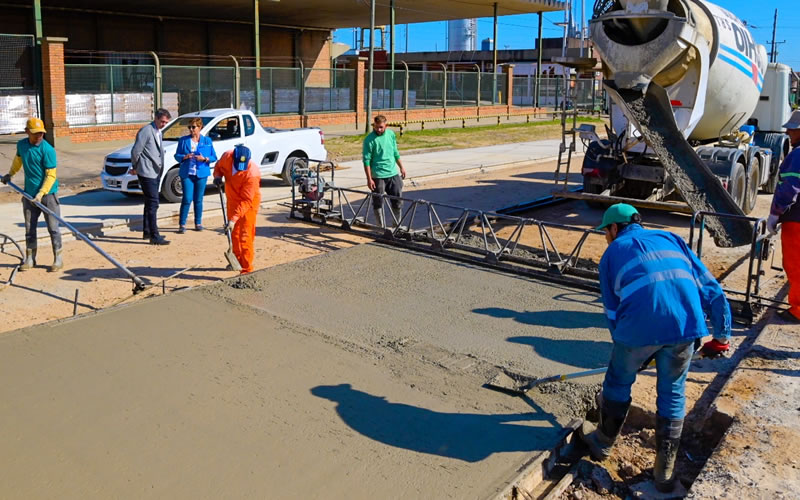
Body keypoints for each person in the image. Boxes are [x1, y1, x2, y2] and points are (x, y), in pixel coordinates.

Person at [579, 204, 732, 493]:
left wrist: (626, 347)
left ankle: (603, 442)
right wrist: (722, 336)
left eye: (606, 232)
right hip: (686, 327)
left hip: (638, 329)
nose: (606, 238)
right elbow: (712, 289)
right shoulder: (671, 239)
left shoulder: (612, 254)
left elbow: (613, 311)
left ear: (614, 228)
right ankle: (664, 476)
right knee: (673, 392)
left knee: (618, 379)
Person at [1, 117, 63, 272]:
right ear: (27, 131)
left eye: (41, 133)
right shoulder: (22, 145)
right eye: (35, 133)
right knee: (30, 228)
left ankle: (58, 258)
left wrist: (41, 193)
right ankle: (30, 258)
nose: (39, 136)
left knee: (53, 228)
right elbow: (18, 160)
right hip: (29, 194)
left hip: (48, 195)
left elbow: (51, 175)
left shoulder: (47, 150)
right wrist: (10, 174)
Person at [766, 110, 800, 324]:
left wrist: (774, 213)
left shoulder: (797, 154)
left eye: (792, 129)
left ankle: (797, 310)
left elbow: (790, 187)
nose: (787, 132)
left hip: (797, 220)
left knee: (795, 264)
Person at [213, 144, 261, 274]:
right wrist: (217, 176)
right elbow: (218, 167)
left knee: (245, 236)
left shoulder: (252, 174)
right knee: (233, 233)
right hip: (232, 200)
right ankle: (237, 261)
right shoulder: (227, 157)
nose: (240, 169)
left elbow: (246, 200)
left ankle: (246, 269)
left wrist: (234, 219)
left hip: (248, 205)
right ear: (233, 157)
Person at [131, 108, 171, 245]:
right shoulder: (146, 131)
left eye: (166, 122)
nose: (164, 124)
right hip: (147, 172)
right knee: (154, 202)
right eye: (162, 121)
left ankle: (147, 231)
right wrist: (136, 167)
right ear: (156, 118)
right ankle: (154, 235)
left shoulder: (158, 131)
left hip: (155, 171)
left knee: (149, 202)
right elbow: (136, 151)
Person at [362, 115, 406, 227]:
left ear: (385, 125)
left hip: (393, 173)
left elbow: (395, 152)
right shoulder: (369, 140)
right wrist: (369, 179)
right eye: (376, 127)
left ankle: (396, 225)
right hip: (378, 175)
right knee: (378, 201)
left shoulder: (391, 135)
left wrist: (401, 167)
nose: (379, 130)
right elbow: (366, 161)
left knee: (397, 200)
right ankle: (380, 226)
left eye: (381, 127)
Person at [174, 117, 217, 233]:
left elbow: (214, 157)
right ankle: (182, 224)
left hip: (201, 173)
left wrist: (204, 159)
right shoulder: (183, 140)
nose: (191, 130)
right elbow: (176, 155)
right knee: (187, 198)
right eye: (189, 127)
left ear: (200, 127)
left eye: (193, 127)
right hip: (187, 173)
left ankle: (198, 222)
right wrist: (184, 157)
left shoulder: (207, 141)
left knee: (198, 199)